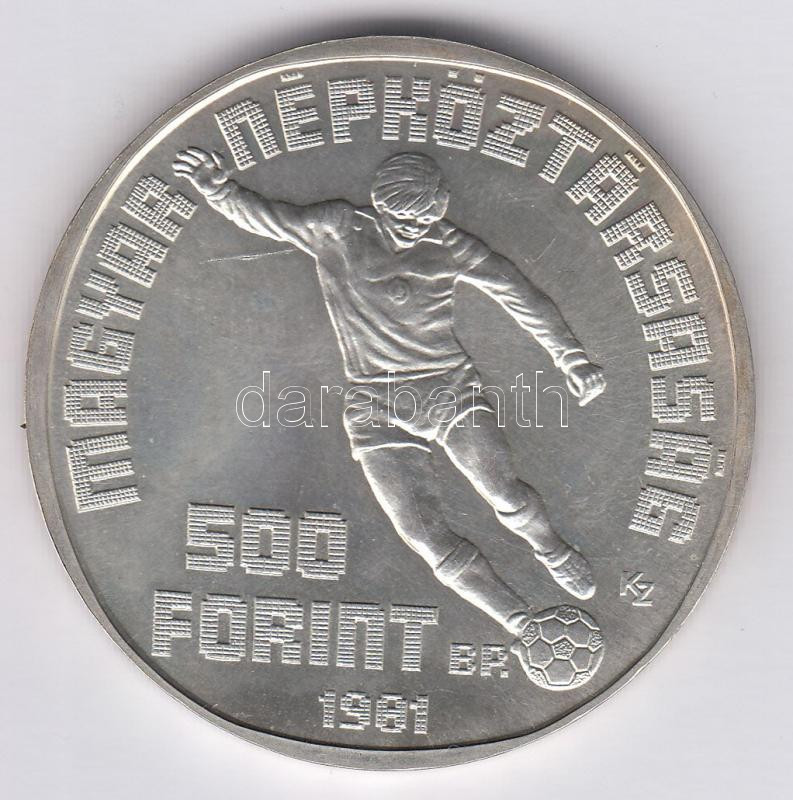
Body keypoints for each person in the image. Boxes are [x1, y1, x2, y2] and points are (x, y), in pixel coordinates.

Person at [173, 148, 607, 672]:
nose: (411, 229)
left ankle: (552, 549)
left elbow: (520, 294)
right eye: (401, 217)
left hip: (448, 389)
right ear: (378, 205)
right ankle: (519, 622)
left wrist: (571, 357)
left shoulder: (451, 246)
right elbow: (268, 217)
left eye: (424, 218)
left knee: (502, 491)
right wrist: (218, 189)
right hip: (374, 403)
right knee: (421, 533)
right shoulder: (337, 229)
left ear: (441, 207)